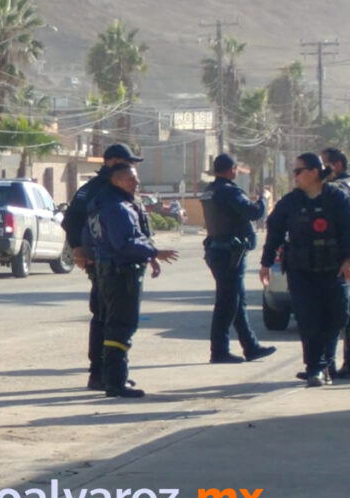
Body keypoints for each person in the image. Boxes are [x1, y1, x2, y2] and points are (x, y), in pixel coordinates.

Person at [88, 163, 179, 398]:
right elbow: (125, 242)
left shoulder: (102, 203)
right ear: (116, 180)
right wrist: (154, 252)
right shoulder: (118, 208)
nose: (136, 183)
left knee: (114, 326)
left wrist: (149, 255)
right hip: (120, 273)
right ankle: (115, 382)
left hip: (109, 271)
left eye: (136, 179)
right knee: (122, 326)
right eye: (131, 179)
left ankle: (114, 377)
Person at [260, 153, 350, 387]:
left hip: (333, 269)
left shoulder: (337, 198)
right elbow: (274, 231)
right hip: (301, 270)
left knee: (336, 317)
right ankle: (315, 368)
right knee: (309, 320)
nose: (295, 176)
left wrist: (348, 259)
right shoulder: (290, 202)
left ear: (313, 172)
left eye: (298, 171)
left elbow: (347, 230)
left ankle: (325, 362)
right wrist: (266, 262)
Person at [62, 143, 145, 391]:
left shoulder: (115, 186)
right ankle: (101, 373)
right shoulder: (96, 189)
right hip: (105, 259)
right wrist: (77, 248)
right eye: (128, 162)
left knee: (108, 316)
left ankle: (108, 373)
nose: (131, 167)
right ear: (113, 162)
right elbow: (71, 220)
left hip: (111, 258)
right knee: (106, 317)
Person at [200, 153, 277, 364]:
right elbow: (253, 212)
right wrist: (264, 198)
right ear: (231, 169)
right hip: (229, 253)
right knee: (227, 303)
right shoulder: (228, 192)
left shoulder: (210, 191)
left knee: (236, 301)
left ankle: (250, 346)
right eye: (235, 168)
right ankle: (219, 350)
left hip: (219, 250)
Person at [320, 147, 350, 377]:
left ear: (337, 165)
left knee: (339, 314)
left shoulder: (337, 189)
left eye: (325, 164)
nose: (321, 170)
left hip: (340, 259)